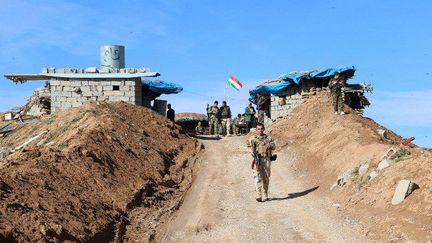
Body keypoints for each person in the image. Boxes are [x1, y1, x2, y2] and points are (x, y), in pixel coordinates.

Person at [249, 123, 276, 202]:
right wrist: (251, 151)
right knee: (257, 177)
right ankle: (259, 195)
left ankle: (265, 193)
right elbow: (249, 146)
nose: (260, 130)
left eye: (261, 129)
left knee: (266, 177)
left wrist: (270, 145)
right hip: (257, 159)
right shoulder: (253, 138)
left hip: (266, 159)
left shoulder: (268, 138)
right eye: (258, 129)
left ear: (263, 129)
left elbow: (274, 146)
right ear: (256, 130)